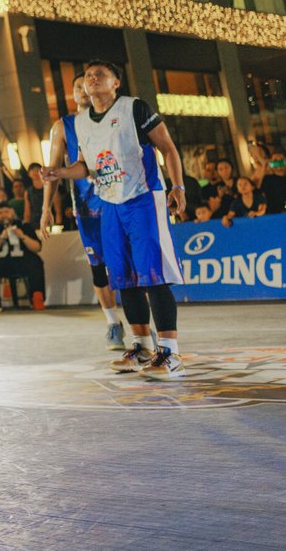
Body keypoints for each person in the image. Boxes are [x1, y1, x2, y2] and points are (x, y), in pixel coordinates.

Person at [39, 59, 189, 379]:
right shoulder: (80, 122)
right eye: (88, 75)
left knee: (153, 274)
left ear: (115, 83)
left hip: (144, 198)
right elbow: (85, 167)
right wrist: (60, 172)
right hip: (109, 204)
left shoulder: (134, 108)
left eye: (100, 75)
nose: (92, 78)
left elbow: (169, 148)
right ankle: (140, 345)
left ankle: (170, 351)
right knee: (123, 277)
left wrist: (178, 186)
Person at [42, 76, 125, 349]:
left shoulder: (117, 117)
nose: (84, 90)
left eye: (88, 85)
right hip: (88, 207)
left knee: (127, 263)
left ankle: (141, 324)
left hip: (119, 199)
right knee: (99, 269)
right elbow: (53, 171)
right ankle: (113, 321)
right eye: (77, 86)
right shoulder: (63, 127)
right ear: (73, 94)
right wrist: (46, 209)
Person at [0, 205, 45, 313]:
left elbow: (37, 247)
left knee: (35, 260)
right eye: (0, 213)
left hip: (21, 262)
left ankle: (37, 297)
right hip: (1, 264)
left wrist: (22, 236)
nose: (3, 215)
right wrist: (1, 237)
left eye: (6, 212)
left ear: (13, 212)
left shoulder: (24, 225)